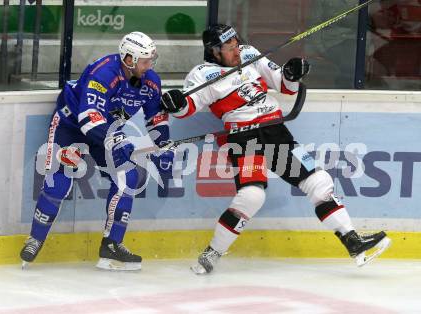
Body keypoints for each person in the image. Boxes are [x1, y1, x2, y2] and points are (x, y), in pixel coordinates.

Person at [160, 24, 391, 275]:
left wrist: (292, 74)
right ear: (214, 51)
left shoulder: (250, 54)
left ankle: (352, 241)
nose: (237, 51)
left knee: (318, 182)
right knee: (252, 196)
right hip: (244, 138)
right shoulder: (202, 74)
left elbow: (285, 86)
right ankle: (212, 252)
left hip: (275, 133)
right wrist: (177, 104)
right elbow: (187, 108)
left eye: (237, 44)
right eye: (229, 48)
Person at [20, 31, 174, 271]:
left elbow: (156, 116)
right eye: (145, 61)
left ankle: (111, 244)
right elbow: (88, 118)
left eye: (150, 60)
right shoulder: (103, 72)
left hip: (106, 132)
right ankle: (35, 238)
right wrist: (117, 142)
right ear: (129, 60)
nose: (149, 65)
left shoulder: (150, 80)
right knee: (59, 181)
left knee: (128, 176)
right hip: (71, 126)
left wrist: (163, 142)